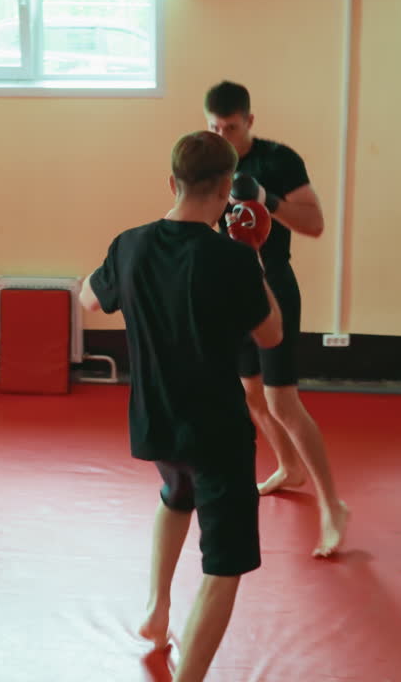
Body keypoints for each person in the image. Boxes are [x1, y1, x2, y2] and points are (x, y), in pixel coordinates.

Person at [80, 130, 283, 682]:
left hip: (156, 422)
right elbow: (271, 335)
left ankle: (156, 611)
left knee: (175, 497)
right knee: (226, 564)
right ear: (226, 191)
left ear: (172, 182)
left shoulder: (129, 244)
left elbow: (89, 298)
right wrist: (254, 259)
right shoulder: (232, 259)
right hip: (215, 431)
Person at [203, 80, 350, 558]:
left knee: (282, 401)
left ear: (249, 121)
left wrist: (268, 199)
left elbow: (315, 224)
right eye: (214, 127)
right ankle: (289, 467)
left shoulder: (279, 160)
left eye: (231, 127)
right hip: (230, 288)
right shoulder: (209, 161)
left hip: (272, 287)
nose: (223, 135)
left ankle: (333, 506)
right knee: (250, 393)